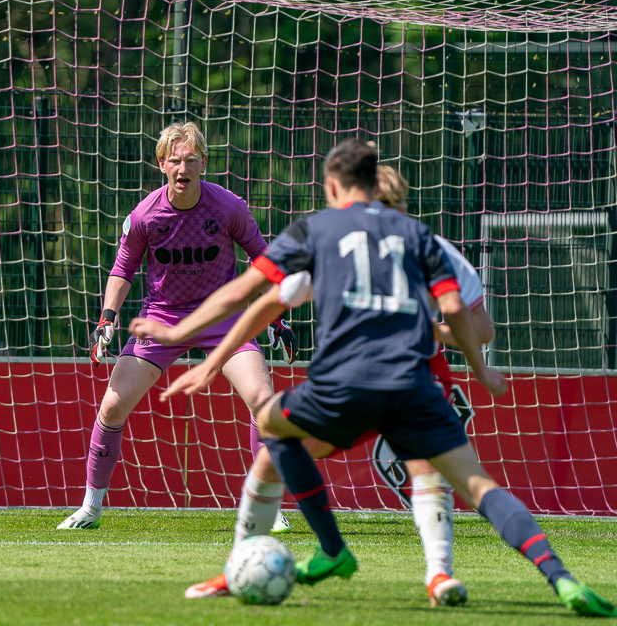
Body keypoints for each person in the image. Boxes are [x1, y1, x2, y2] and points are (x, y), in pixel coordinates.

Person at [130, 139, 614, 617]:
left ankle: (330, 548)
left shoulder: (317, 229)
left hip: (344, 383)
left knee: (272, 427)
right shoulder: (419, 235)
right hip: (415, 385)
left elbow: (246, 294)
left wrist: (187, 338)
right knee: (480, 487)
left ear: (336, 185)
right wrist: (481, 367)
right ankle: (562, 580)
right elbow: (457, 311)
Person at [173, 165, 497, 606]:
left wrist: (439, 335)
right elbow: (268, 300)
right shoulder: (346, 243)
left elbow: (476, 323)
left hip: (402, 380)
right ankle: (242, 567)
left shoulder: (421, 245)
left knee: (429, 469)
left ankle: (435, 574)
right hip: (361, 384)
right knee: (272, 457)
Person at [57, 121, 297, 531]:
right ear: (162, 165)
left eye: (190, 159)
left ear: (204, 163)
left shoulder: (228, 207)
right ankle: (91, 507)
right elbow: (123, 268)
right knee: (112, 405)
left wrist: (276, 315)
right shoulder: (145, 215)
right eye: (174, 160)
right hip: (162, 317)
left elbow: (263, 259)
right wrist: (107, 321)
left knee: (262, 398)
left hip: (223, 316)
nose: (182, 167)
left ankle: (265, 509)